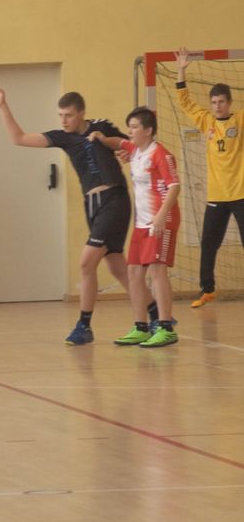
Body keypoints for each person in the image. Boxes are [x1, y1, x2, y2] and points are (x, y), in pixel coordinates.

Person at [0, 81, 159, 345]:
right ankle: (156, 315)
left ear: (81, 113)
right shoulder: (63, 137)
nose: (63, 120)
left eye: (68, 115)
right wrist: (2, 106)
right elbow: (19, 138)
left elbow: (131, 143)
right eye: (60, 115)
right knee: (118, 268)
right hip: (92, 205)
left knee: (86, 262)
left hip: (114, 200)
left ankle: (84, 326)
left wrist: (125, 152)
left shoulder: (101, 126)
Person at [89, 107, 180, 347]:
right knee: (133, 272)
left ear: (148, 130)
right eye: (129, 127)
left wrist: (161, 216)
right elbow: (118, 142)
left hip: (161, 221)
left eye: (134, 127)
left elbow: (174, 186)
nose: (130, 131)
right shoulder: (135, 150)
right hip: (141, 223)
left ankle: (166, 327)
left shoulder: (161, 154)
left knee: (157, 271)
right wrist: (101, 138)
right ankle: (141, 326)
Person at [173, 48, 244, 308]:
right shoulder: (206, 122)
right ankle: (207, 290)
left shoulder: (240, 120)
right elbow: (185, 102)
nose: (217, 106)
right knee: (208, 244)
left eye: (221, 102)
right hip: (216, 196)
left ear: (229, 103)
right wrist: (181, 69)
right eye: (213, 102)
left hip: (241, 194)